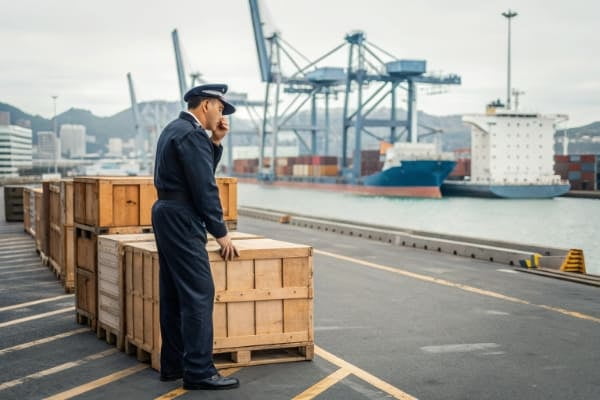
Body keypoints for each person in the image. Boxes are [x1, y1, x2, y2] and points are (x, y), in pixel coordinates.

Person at [152, 83, 240, 390]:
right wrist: (221, 233)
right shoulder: (191, 134)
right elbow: (204, 187)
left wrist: (215, 142)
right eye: (220, 108)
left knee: (175, 294)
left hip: (166, 211)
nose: (221, 115)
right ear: (206, 105)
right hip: (182, 214)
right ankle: (200, 371)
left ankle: (174, 365)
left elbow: (197, 172)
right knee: (200, 294)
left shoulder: (174, 129)